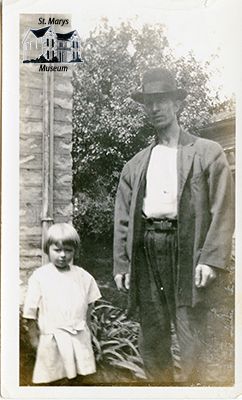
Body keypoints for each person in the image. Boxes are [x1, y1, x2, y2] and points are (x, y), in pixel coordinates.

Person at [113, 67, 234, 385]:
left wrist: (210, 257)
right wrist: (122, 263)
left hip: (187, 248)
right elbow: (124, 217)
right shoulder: (136, 164)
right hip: (148, 248)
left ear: (177, 104)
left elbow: (223, 209)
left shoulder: (207, 153)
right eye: (148, 102)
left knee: (191, 332)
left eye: (161, 100)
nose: (154, 108)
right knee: (151, 333)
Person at [23, 223, 101, 385]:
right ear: (47, 249)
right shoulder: (40, 277)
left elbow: (89, 308)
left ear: (75, 251)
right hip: (52, 340)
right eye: (57, 250)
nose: (63, 255)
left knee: (79, 379)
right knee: (54, 380)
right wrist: (33, 337)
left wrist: (90, 333)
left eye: (68, 250)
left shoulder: (83, 277)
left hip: (78, 338)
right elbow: (30, 312)